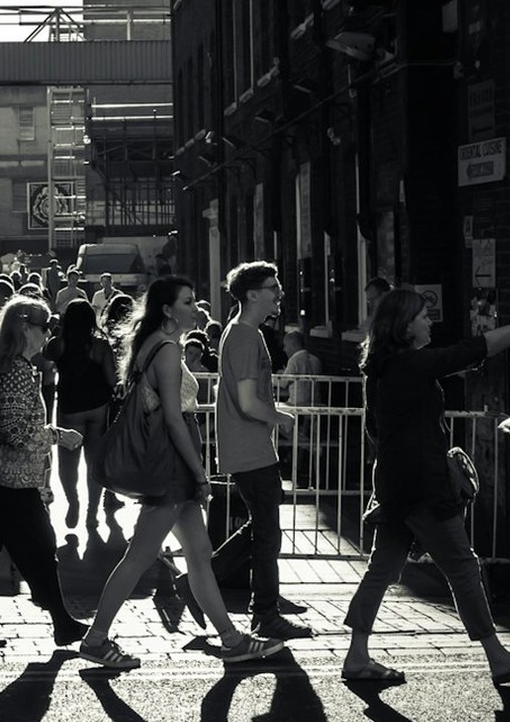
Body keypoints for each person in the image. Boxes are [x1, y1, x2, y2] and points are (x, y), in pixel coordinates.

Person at [341, 288, 510, 684]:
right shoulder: (410, 366)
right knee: (463, 567)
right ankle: (498, 657)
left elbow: (375, 431)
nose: (430, 321)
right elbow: (478, 346)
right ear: (404, 326)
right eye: (422, 316)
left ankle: (357, 657)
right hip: (422, 486)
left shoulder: (383, 369)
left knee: (383, 568)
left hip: (397, 482)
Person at [79, 277, 286, 669]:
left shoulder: (153, 344)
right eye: (188, 301)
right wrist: (199, 473)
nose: (196, 307)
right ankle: (95, 638)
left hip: (174, 465)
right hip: (172, 465)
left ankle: (231, 639)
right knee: (139, 556)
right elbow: (174, 419)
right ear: (168, 310)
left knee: (200, 553)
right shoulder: (169, 351)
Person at [0, 296, 88, 651]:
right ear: (24, 328)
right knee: (40, 546)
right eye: (44, 328)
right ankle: (61, 622)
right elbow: (16, 433)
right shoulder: (15, 372)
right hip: (8, 478)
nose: (48, 335)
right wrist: (60, 436)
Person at [201, 262, 311, 640]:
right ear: (251, 294)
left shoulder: (241, 332)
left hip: (247, 446)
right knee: (268, 534)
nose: (279, 293)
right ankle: (264, 613)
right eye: (272, 287)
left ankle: (200, 582)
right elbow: (248, 403)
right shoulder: (247, 336)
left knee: (262, 529)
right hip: (250, 447)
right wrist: (280, 417)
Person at [45, 299, 120, 529]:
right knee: (94, 462)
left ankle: (73, 502)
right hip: (98, 407)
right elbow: (111, 379)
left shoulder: (59, 344)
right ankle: (92, 512)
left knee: (68, 463)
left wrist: (57, 329)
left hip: (70, 408)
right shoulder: (100, 345)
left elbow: (46, 356)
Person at [280, 330, 323, 407]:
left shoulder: (294, 360)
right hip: (315, 404)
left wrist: (272, 378)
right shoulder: (316, 360)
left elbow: (283, 383)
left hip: (297, 404)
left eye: (285, 345)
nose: (284, 349)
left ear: (292, 345)